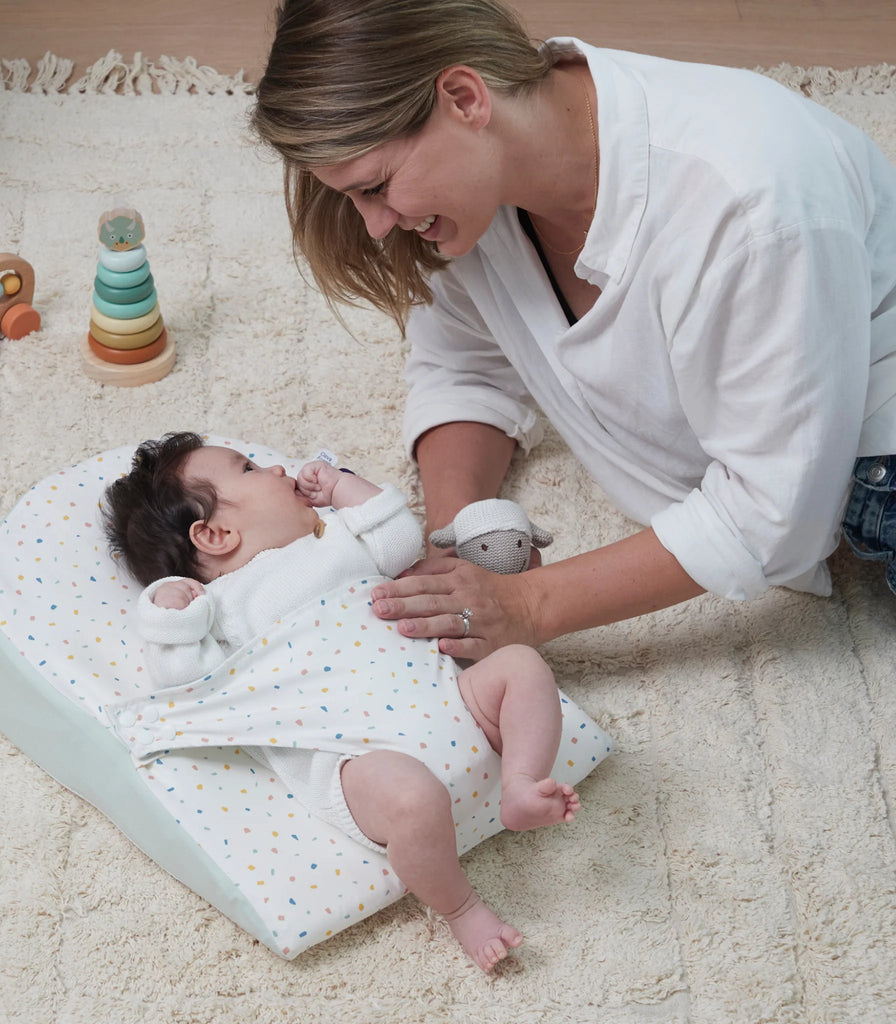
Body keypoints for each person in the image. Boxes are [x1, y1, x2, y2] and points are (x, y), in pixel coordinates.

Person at [250, 0, 896, 662]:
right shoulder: (475, 193)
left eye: (377, 187)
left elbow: (776, 511)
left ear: (465, 98)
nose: (376, 225)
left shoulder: (747, 202)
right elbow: (463, 370)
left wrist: (529, 606)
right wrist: (458, 542)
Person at [102, 432, 580, 971]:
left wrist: (344, 487)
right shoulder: (221, 606)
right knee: (412, 799)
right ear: (214, 534)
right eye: (252, 468)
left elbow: (399, 538)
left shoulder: (334, 539)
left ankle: (519, 782)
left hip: (455, 702)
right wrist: (170, 611)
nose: (280, 471)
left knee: (522, 667)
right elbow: (183, 676)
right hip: (360, 759)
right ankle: (462, 906)